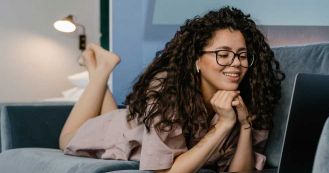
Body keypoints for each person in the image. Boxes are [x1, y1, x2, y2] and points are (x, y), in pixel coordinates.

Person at [59, 6, 285, 173]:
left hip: (132, 122)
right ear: (196, 60)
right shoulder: (168, 88)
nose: (236, 63)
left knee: (113, 116)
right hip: (120, 131)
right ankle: (100, 70)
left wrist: (245, 125)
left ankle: (97, 66)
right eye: (223, 54)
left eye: (242, 55)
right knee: (66, 139)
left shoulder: (250, 96)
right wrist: (224, 125)